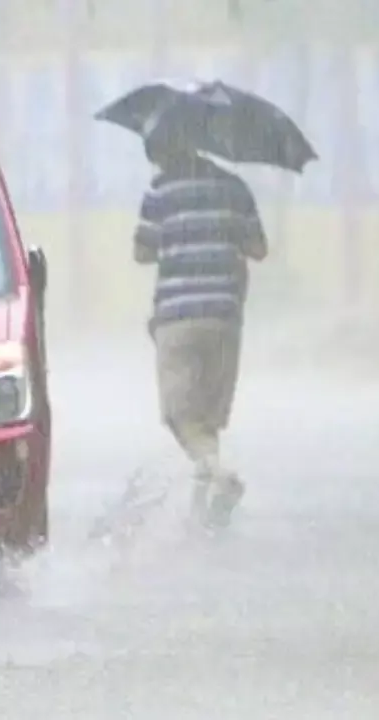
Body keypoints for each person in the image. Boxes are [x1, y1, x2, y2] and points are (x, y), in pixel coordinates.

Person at [134, 132, 268, 528]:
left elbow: (142, 253)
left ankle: (218, 474)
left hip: (177, 317)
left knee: (180, 415)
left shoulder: (159, 192)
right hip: (225, 317)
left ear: (163, 153)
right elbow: (259, 249)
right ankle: (204, 508)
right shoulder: (234, 188)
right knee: (207, 418)